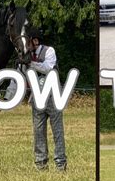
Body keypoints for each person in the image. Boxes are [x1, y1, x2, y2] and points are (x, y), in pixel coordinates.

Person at [4, 27, 67, 171]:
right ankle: (41, 163)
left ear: (35, 41)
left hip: (53, 96)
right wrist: (7, 98)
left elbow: (48, 68)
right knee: (38, 131)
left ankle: (60, 163)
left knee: (57, 131)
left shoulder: (49, 51)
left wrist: (30, 63)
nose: (25, 46)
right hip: (37, 99)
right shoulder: (24, 58)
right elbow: (16, 78)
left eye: (28, 42)